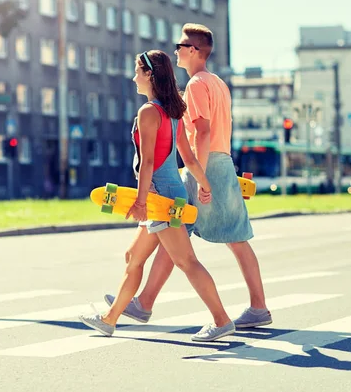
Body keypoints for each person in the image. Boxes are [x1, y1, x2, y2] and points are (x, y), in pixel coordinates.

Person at [105, 24, 272, 329]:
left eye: (181, 46)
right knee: (208, 236)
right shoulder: (218, 82)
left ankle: (151, 304)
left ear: (194, 51)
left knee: (187, 238)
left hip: (207, 166)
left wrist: (199, 174)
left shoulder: (195, 84)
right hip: (222, 161)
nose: (177, 51)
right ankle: (145, 302)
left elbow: (203, 131)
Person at [79, 50, 235, 342]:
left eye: (137, 71)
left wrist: (140, 203)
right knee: (133, 256)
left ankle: (222, 319)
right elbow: (186, 157)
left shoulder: (149, 111)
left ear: (149, 74)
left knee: (187, 261)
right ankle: (110, 319)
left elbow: (149, 161)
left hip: (161, 200)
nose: (133, 77)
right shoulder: (171, 110)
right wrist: (204, 184)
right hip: (168, 194)